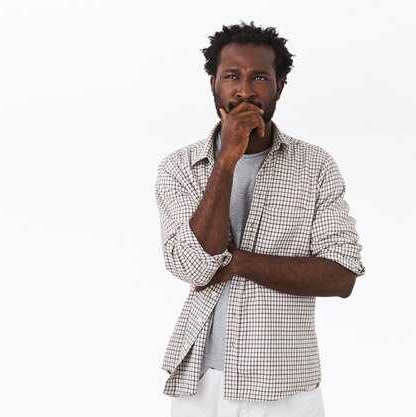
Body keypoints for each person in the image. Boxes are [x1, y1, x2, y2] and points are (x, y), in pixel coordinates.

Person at [155, 22, 365, 417]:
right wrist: (228, 159)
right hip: (199, 381)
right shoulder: (180, 167)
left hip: (285, 382)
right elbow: (192, 264)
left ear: (280, 86)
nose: (245, 90)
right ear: (213, 83)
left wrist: (238, 263)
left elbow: (341, 276)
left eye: (260, 78)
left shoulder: (315, 166)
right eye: (232, 76)